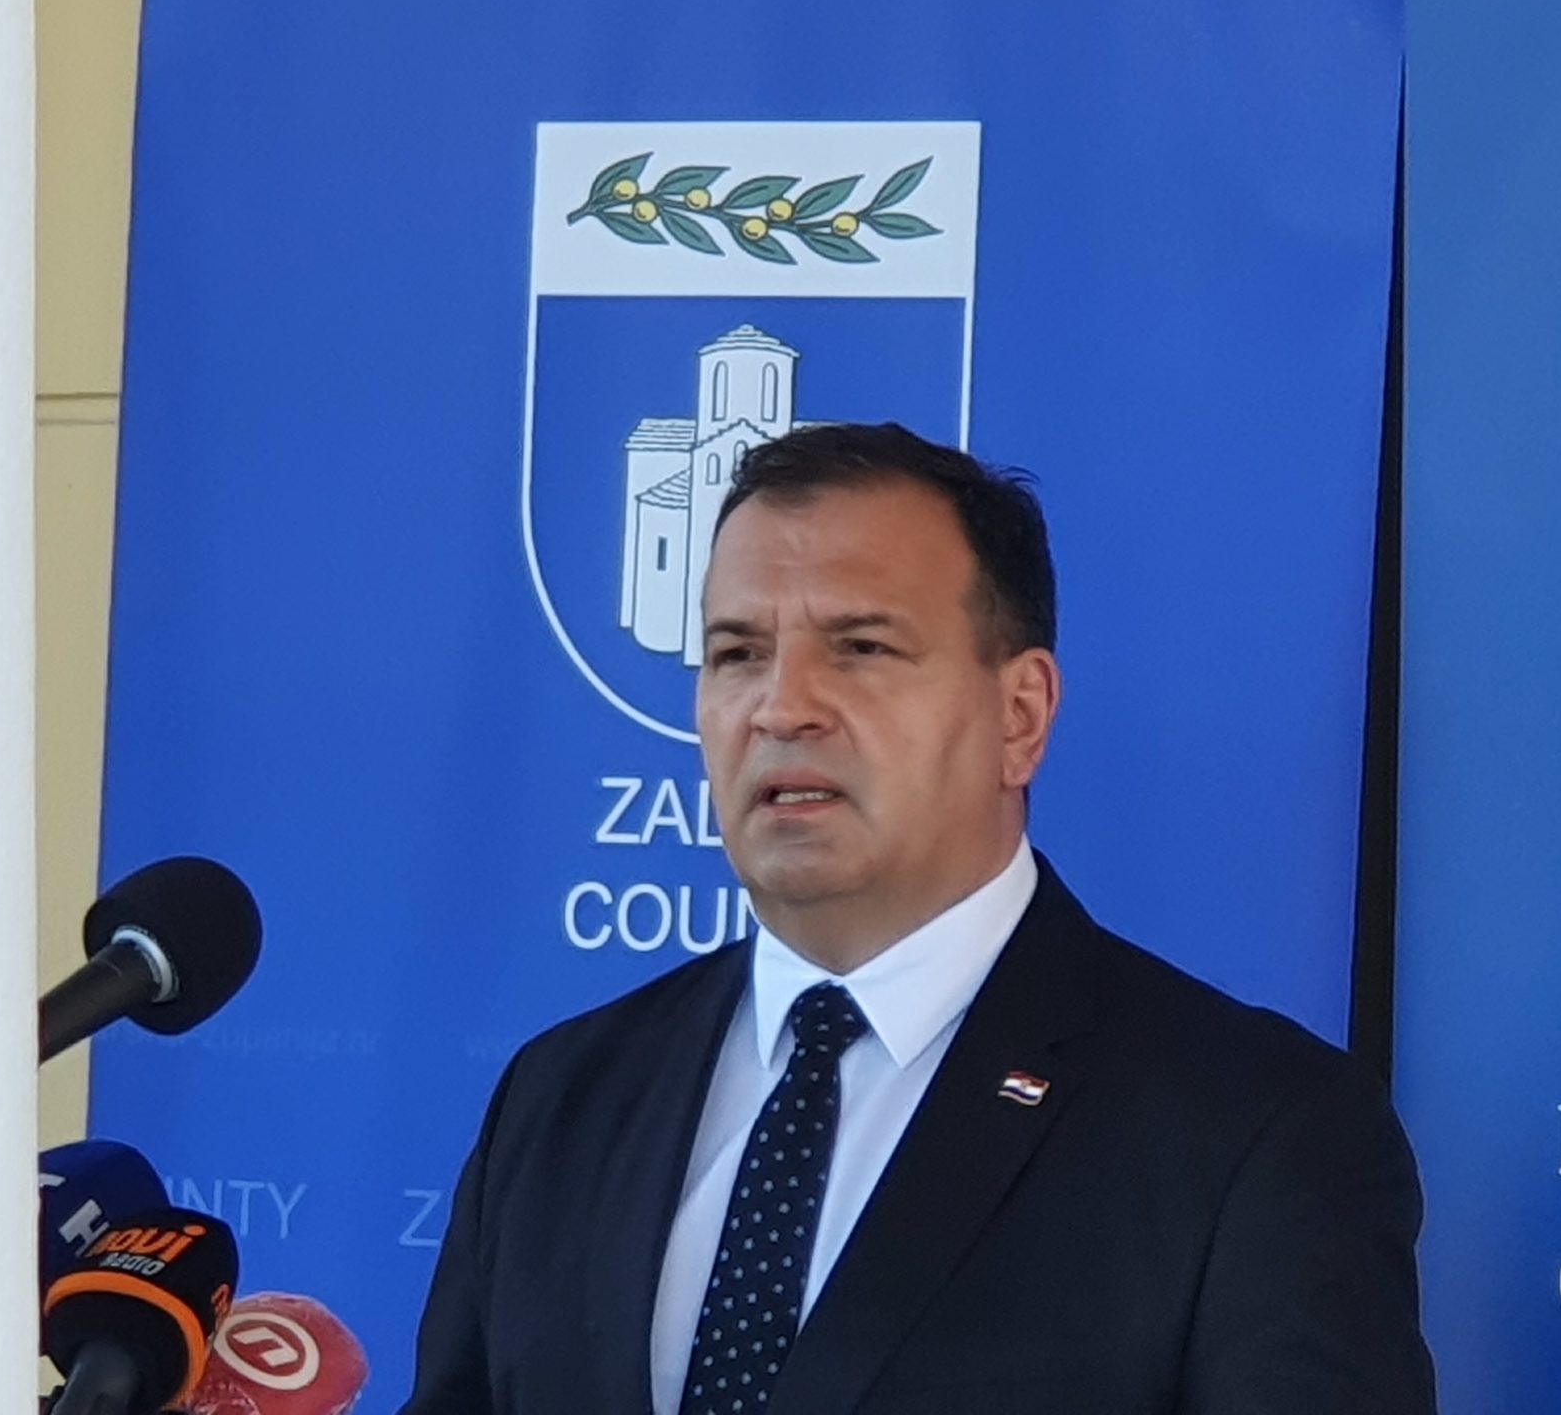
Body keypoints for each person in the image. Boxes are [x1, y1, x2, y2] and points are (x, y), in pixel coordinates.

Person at [401, 422, 1435, 1414]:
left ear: (1020, 716)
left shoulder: (1253, 1135)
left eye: (860, 647)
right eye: (737, 653)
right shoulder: (560, 1099)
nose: (781, 707)